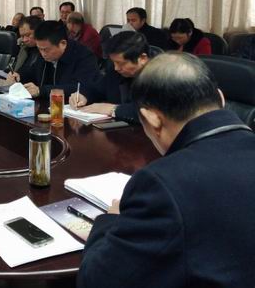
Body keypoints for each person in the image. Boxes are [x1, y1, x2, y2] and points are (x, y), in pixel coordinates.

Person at [78, 52, 255, 287]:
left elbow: (96, 281)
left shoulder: (161, 184)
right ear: (221, 98)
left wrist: (111, 220)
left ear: (152, 119)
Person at [70, 31, 151, 123]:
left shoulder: (159, 78)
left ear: (143, 58)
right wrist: (83, 95)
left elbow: (151, 111)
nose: (116, 68)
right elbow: (97, 88)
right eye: (114, 62)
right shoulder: (116, 71)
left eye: (121, 63)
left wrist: (114, 109)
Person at [22, 20, 100, 99]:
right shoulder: (44, 53)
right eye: (39, 49)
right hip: (47, 103)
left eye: (46, 50)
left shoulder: (84, 56)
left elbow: (82, 87)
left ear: (63, 44)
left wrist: (42, 90)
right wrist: (19, 76)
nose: (43, 54)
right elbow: (32, 72)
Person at [7, 15, 42, 84]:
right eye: (22, 36)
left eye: (28, 35)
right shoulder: (23, 48)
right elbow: (15, 67)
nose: (24, 40)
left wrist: (20, 75)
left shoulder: (45, 51)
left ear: (39, 32)